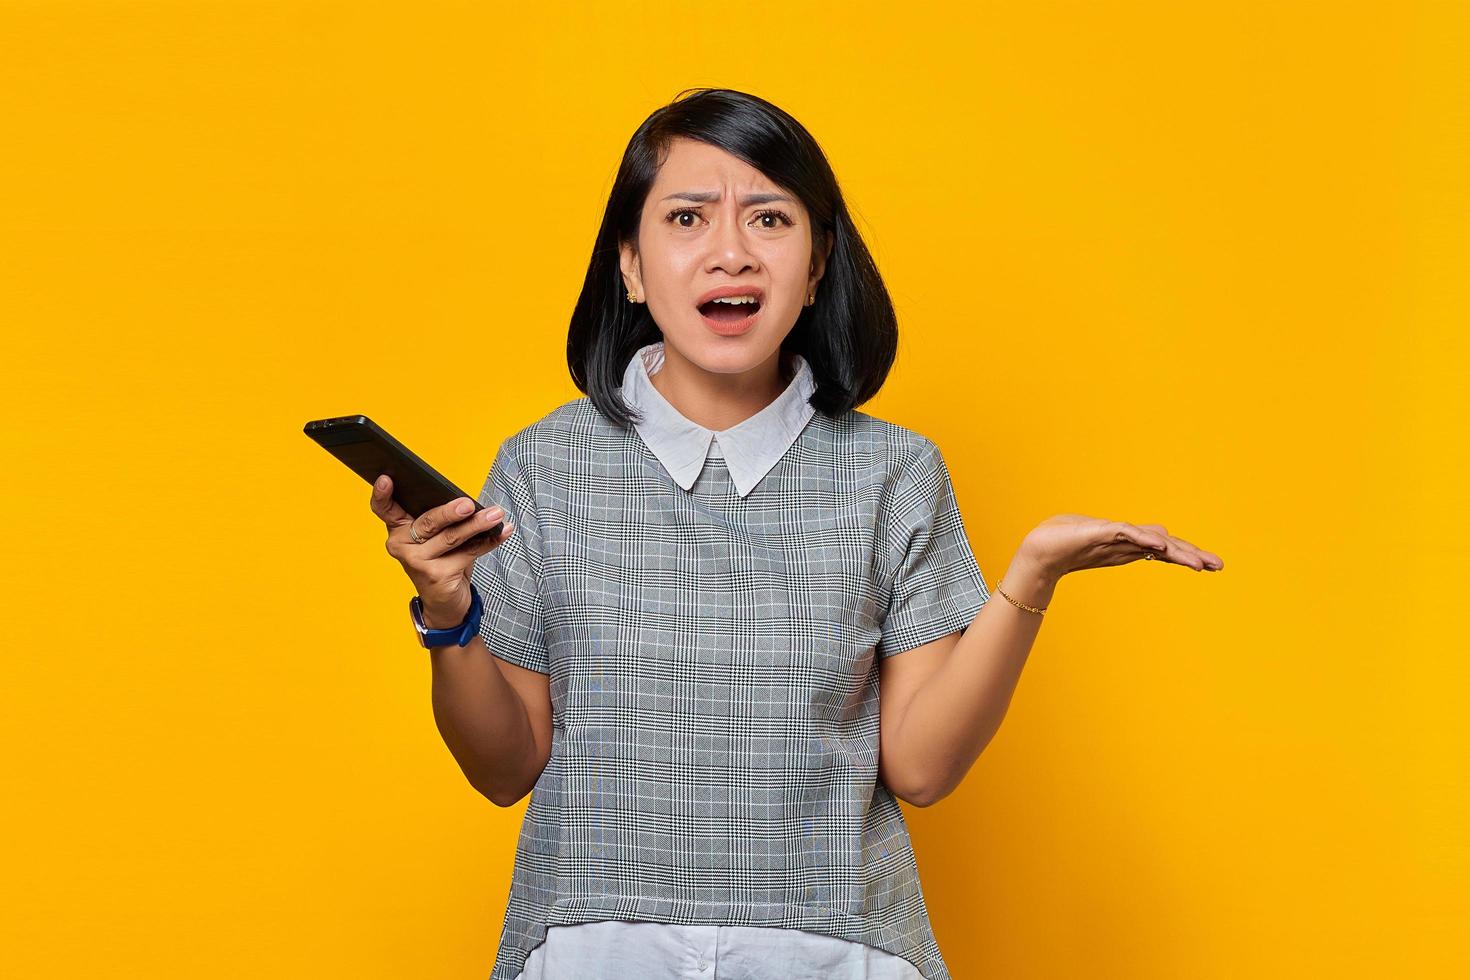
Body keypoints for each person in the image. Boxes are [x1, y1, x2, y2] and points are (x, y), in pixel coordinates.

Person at [370, 88, 1224, 980]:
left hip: (835, 951)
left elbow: (922, 768)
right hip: (597, 952)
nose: (730, 252)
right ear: (631, 264)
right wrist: (447, 612)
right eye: (688, 218)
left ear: (816, 266)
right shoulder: (545, 466)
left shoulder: (894, 473)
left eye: (770, 218)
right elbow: (505, 768)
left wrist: (1031, 579)